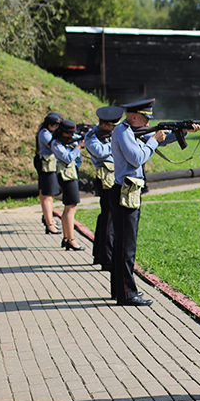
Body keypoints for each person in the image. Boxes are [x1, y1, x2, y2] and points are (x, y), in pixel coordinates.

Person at [109, 99, 200, 306]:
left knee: (124, 244)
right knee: (126, 246)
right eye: (145, 118)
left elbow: (161, 139)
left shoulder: (131, 130)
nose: (148, 122)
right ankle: (127, 293)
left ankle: (120, 289)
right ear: (134, 117)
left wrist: (182, 131)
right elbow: (137, 158)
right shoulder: (124, 132)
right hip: (125, 191)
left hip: (128, 190)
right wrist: (154, 140)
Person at [84, 106, 123, 282]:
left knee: (107, 217)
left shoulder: (106, 134)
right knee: (108, 218)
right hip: (105, 180)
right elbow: (98, 152)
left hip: (111, 178)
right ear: (106, 125)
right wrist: (117, 143)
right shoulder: (92, 136)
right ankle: (106, 257)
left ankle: (100, 254)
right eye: (113, 125)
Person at [51, 119, 84, 251]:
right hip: (67, 177)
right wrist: (78, 147)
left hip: (71, 174)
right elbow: (67, 158)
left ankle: (66, 238)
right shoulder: (56, 143)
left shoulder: (70, 139)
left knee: (68, 207)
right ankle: (71, 239)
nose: (72, 136)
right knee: (71, 207)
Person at [35, 112, 62, 234]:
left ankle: (48, 217)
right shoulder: (45, 134)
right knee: (48, 195)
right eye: (54, 125)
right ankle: (49, 223)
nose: (56, 127)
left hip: (46, 163)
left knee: (45, 192)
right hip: (46, 165)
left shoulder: (45, 131)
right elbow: (54, 146)